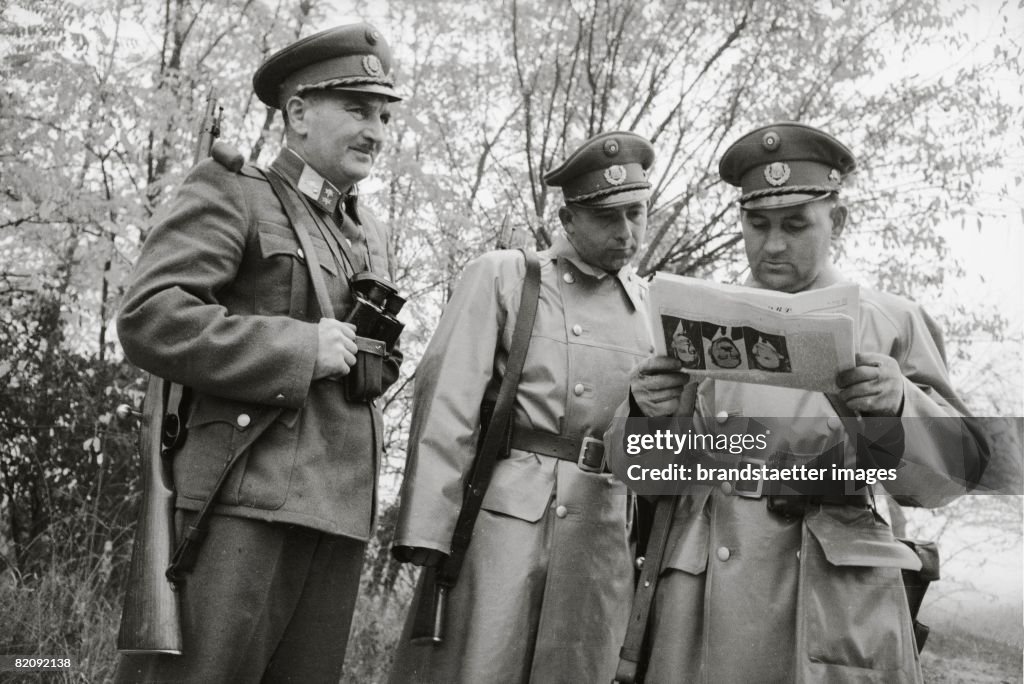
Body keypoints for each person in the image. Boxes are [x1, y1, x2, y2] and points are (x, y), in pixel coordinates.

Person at [626, 122, 987, 683]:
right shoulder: (695, 316)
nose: (772, 245)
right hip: (705, 593)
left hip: (826, 590)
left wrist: (894, 407)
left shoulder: (890, 321)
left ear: (836, 221)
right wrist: (649, 413)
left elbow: (952, 477)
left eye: (796, 225)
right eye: (757, 224)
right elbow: (655, 475)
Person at [114, 23, 403, 683]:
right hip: (240, 500)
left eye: (384, 115)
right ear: (297, 112)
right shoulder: (233, 191)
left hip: (337, 509)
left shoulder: (366, 236)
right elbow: (150, 317)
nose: (376, 131)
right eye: (358, 109)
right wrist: (299, 347)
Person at [388, 132, 656, 683]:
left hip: (602, 535)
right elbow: (448, 403)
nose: (626, 233)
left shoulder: (656, 308)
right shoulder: (508, 276)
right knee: (479, 668)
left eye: (636, 213)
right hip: (506, 523)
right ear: (568, 218)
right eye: (608, 217)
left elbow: (663, 450)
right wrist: (429, 534)